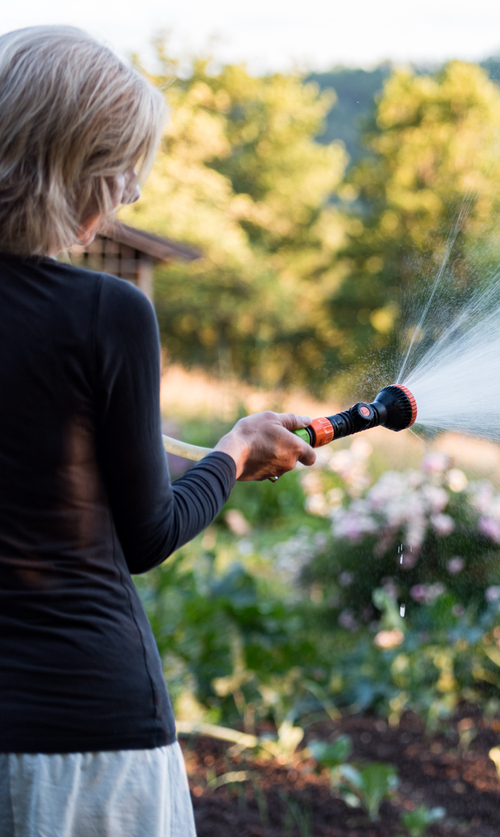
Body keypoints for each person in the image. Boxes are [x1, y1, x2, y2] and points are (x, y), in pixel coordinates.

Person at [0, 26, 316, 836]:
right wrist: (236, 450)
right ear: (69, 166)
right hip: (88, 740)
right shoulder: (107, 311)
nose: (129, 194)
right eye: (121, 167)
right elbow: (148, 534)